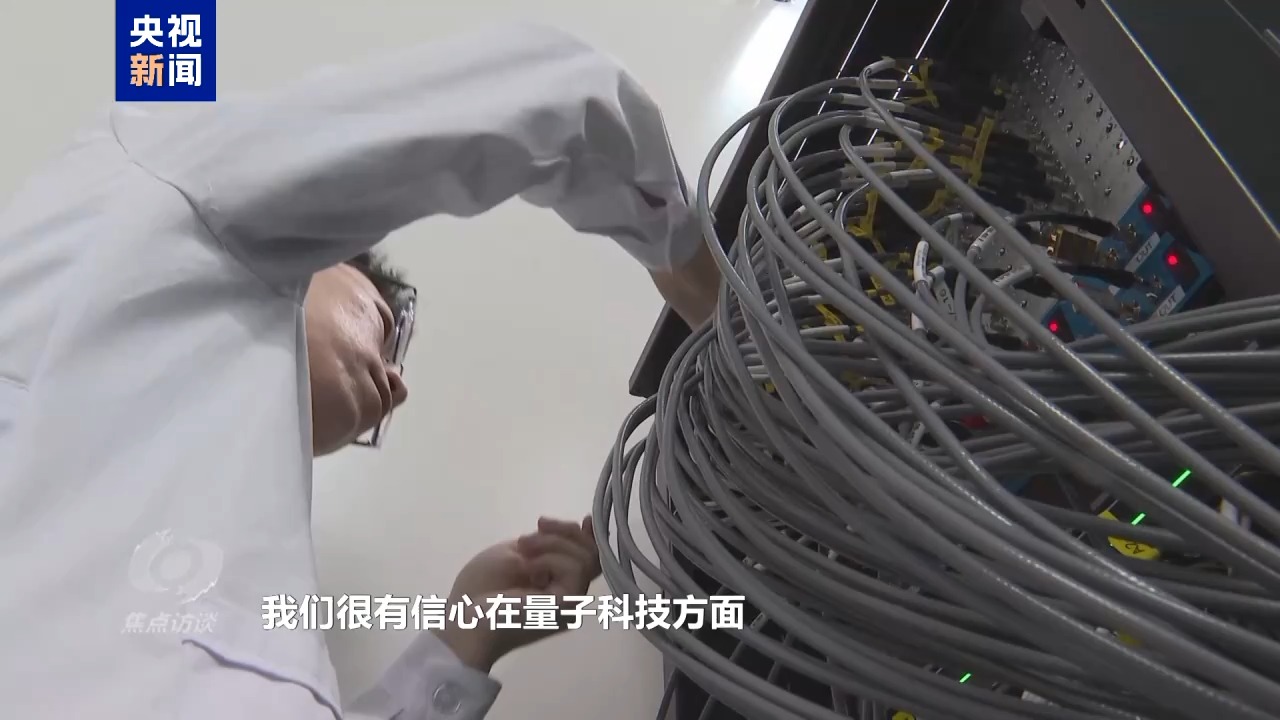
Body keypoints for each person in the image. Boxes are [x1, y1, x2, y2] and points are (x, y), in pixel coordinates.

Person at [0, 22, 720, 720]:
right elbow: (557, 96)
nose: (397, 385)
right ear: (321, 264)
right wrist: (709, 295)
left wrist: (467, 639)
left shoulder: (194, 531)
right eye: (386, 329)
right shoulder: (148, 191)